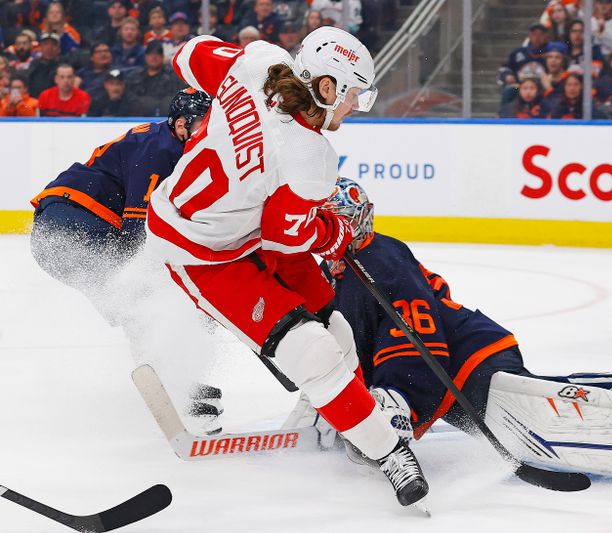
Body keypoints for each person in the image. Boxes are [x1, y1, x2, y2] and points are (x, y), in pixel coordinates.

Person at [284, 177, 612, 491]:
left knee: (549, 424)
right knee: (547, 406)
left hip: (467, 360)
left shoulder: (377, 257)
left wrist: (396, 399)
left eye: (333, 224)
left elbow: (417, 334)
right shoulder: (345, 273)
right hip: (450, 378)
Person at [144, 28, 429, 510]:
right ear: (326, 86)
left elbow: (188, 55)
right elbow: (286, 236)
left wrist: (226, 120)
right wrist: (336, 232)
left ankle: (344, 413)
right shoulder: (311, 156)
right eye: (353, 96)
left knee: (336, 330)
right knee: (314, 351)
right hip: (200, 251)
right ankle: (387, 450)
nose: (354, 108)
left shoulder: (258, 61)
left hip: (238, 226)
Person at [30, 88, 220, 433]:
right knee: (146, 296)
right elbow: (138, 234)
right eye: (200, 125)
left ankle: (168, 382)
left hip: (66, 228)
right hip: (69, 227)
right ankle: (171, 387)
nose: (207, 133)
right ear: (180, 124)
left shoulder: (172, 143)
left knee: (140, 302)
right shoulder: (161, 151)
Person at [125, 41, 185, 116]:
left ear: (163, 57)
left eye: (157, 54)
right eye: (150, 54)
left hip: (164, 117)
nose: (154, 57)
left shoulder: (173, 76)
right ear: (145, 57)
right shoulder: (135, 76)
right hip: (137, 118)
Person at [27, 32, 61, 98]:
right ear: (40, 48)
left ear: (58, 49)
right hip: (34, 103)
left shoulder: (62, 68)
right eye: (46, 44)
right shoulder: (34, 65)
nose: (49, 48)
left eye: (53, 45)